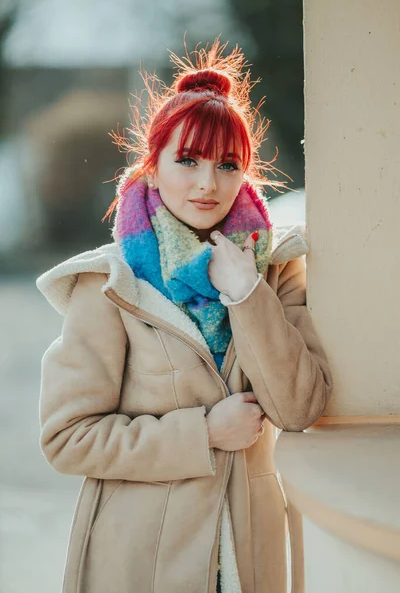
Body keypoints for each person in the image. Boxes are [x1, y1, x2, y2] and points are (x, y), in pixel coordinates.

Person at [37, 39, 333, 593]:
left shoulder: (274, 271)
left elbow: (300, 407)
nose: (207, 184)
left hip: (248, 552)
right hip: (142, 559)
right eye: (188, 161)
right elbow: (68, 438)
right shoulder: (109, 285)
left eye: (227, 165)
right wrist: (204, 433)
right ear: (152, 169)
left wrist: (246, 293)